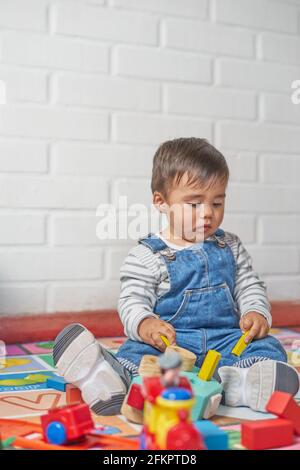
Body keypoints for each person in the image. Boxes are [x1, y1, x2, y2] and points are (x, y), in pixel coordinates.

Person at [52, 138, 299, 416]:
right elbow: (132, 301)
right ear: (162, 202)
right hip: (172, 345)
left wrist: (256, 311)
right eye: (194, 204)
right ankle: (109, 377)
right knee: (136, 353)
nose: (208, 213)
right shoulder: (148, 255)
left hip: (227, 341)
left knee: (270, 348)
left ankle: (239, 382)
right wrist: (146, 324)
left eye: (217, 202)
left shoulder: (229, 245)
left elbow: (248, 284)